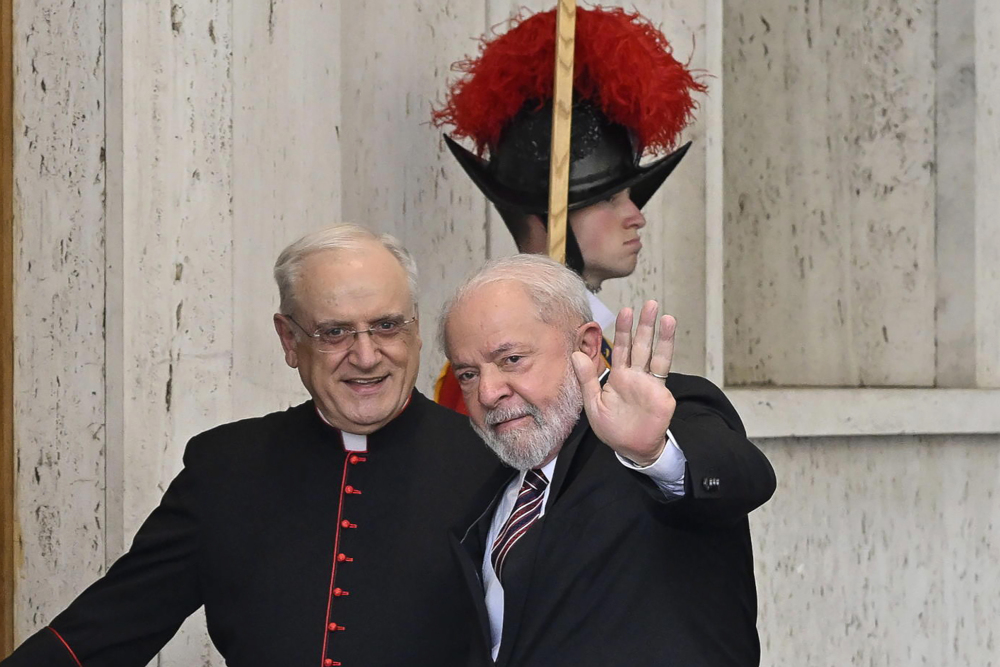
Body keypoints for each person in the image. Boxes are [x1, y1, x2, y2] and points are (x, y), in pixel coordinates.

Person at [2, 224, 500, 667]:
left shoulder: (492, 464)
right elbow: (106, 629)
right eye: (334, 332)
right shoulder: (226, 469)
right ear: (289, 340)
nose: (366, 356)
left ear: (415, 329)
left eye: (387, 326)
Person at [440, 255, 776, 666]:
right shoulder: (486, 485)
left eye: (512, 360)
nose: (489, 392)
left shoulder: (663, 417)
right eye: (468, 375)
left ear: (585, 346)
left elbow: (743, 477)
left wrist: (656, 454)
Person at [432, 5, 707, 413]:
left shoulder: (595, 343)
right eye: (609, 199)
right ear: (545, 216)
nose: (636, 216)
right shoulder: (484, 363)